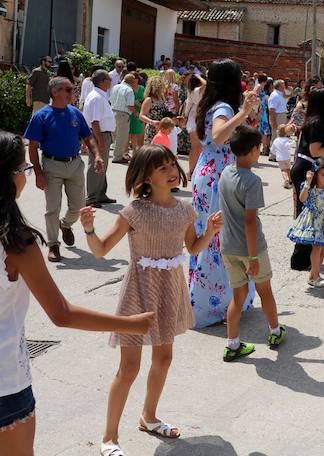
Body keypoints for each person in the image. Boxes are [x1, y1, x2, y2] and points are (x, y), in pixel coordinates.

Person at [0, 131, 153, 456]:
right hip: (6, 384)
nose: (27, 175)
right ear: (10, 178)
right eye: (25, 169)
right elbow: (62, 314)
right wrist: (132, 324)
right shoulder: (17, 244)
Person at [78, 144, 220, 455]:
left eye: (172, 165)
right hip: (139, 290)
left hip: (170, 288)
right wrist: (89, 229)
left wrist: (209, 231)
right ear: (145, 178)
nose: (172, 171)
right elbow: (101, 250)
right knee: (129, 367)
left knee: (164, 358)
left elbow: (193, 248)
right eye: (162, 168)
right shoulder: (134, 212)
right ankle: (109, 437)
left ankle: (149, 417)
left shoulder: (185, 209)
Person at [190, 60, 260, 328]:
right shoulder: (223, 107)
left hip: (206, 172)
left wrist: (245, 112)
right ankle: (217, 305)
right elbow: (220, 136)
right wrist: (242, 113)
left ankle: (210, 301)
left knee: (208, 235)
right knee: (220, 239)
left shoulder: (210, 103)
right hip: (218, 175)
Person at [219, 126, 286, 362]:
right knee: (264, 290)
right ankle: (275, 331)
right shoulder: (252, 181)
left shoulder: (226, 173)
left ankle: (232, 344)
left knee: (238, 297)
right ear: (252, 150)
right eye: (259, 148)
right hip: (250, 247)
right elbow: (250, 221)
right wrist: (254, 257)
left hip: (228, 245)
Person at [24, 77, 104, 262]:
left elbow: (88, 137)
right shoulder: (41, 116)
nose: (72, 91)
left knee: (78, 207)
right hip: (51, 165)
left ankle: (66, 225)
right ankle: (53, 244)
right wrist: (38, 173)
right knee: (52, 208)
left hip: (75, 164)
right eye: (67, 89)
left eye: (72, 88)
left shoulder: (75, 113)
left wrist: (97, 155)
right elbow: (32, 146)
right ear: (55, 92)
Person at [290, 90, 324, 270]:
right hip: (306, 168)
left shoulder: (313, 120)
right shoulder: (317, 122)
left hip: (302, 165)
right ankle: (302, 260)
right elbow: (316, 151)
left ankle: (303, 259)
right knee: (308, 215)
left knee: (305, 213)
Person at [288, 158, 324, 287]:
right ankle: (315, 276)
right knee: (317, 248)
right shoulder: (310, 187)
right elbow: (302, 198)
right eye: (323, 174)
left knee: (322, 249)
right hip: (313, 221)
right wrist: (308, 182)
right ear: (315, 173)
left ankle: (314, 274)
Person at [83, 70, 117, 208]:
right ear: (103, 82)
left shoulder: (99, 95)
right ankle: (91, 197)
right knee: (96, 166)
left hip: (102, 134)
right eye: (109, 79)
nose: (111, 81)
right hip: (99, 135)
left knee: (102, 165)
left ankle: (100, 194)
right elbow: (95, 122)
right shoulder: (97, 97)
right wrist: (101, 140)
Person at [140, 76, 175, 147]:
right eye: (162, 86)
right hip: (153, 129)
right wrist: (152, 122)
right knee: (152, 153)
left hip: (164, 130)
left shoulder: (162, 99)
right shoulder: (149, 100)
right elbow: (141, 116)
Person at [110, 74, 137, 164]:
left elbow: (110, 100)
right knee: (122, 137)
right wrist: (136, 113)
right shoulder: (129, 90)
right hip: (123, 114)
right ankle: (117, 157)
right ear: (132, 82)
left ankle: (118, 154)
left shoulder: (115, 87)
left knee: (116, 136)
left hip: (113, 112)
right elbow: (130, 105)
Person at [183, 75, 205, 175]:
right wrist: (198, 76)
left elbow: (187, 108)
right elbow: (206, 84)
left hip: (194, 120)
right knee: (197, 147)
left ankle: (193, 171)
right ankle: (192, 171)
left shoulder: (192, 91)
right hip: (196, 121)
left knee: (197, 147)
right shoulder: (197, 90)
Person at [267, 80, 288, 161]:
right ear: (279, 86)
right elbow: (272, 110)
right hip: (277, 117)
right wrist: (273, 121)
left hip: (281, 116)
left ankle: (277, 155)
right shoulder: (275, 95)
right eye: (283, 85)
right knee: (275, 137)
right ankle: (272, 156)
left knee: (280, 137)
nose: (284, 87)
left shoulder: (279, 94)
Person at [271, 124, 294, 189]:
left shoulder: (276, 140)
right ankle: (290, 180)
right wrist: (292, 142)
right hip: (287, 157)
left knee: (283, 170)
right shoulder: (286, 139)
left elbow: (272, 149)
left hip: (280, 158)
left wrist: (275, 153)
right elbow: (288, 145)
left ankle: (286, 180)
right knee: (288, 169)